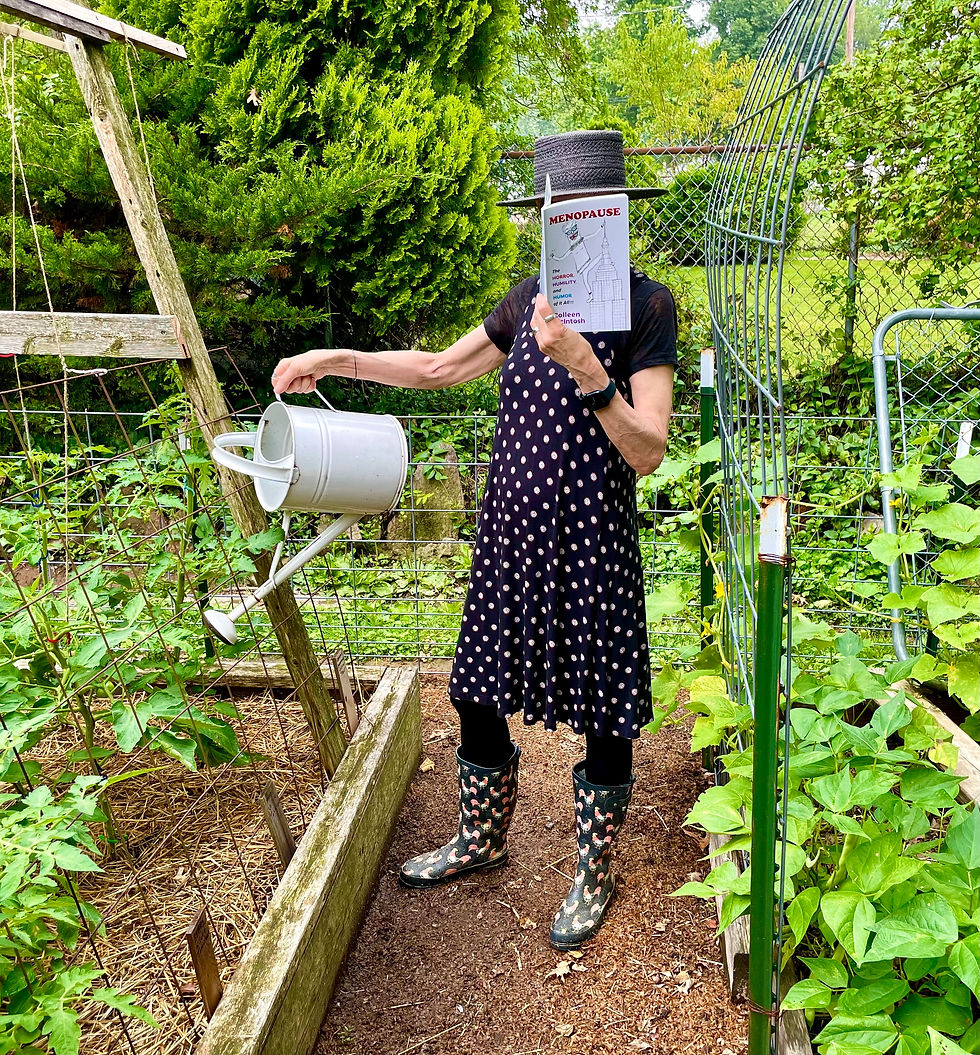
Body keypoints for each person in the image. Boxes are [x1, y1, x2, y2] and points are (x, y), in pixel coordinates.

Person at [271, 129, 677, 950]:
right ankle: (482, 840)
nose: (568, 229)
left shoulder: (648, 305)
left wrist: (587, 371)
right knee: (474, 689)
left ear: (616, 216)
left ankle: (594, 872)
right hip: (511, 535)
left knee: (604, 713)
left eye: (588, 215)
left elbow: (648, 448)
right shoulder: (528, 296)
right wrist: (335, 357)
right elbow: (436, 369)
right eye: (556, 216)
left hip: (593, 541)